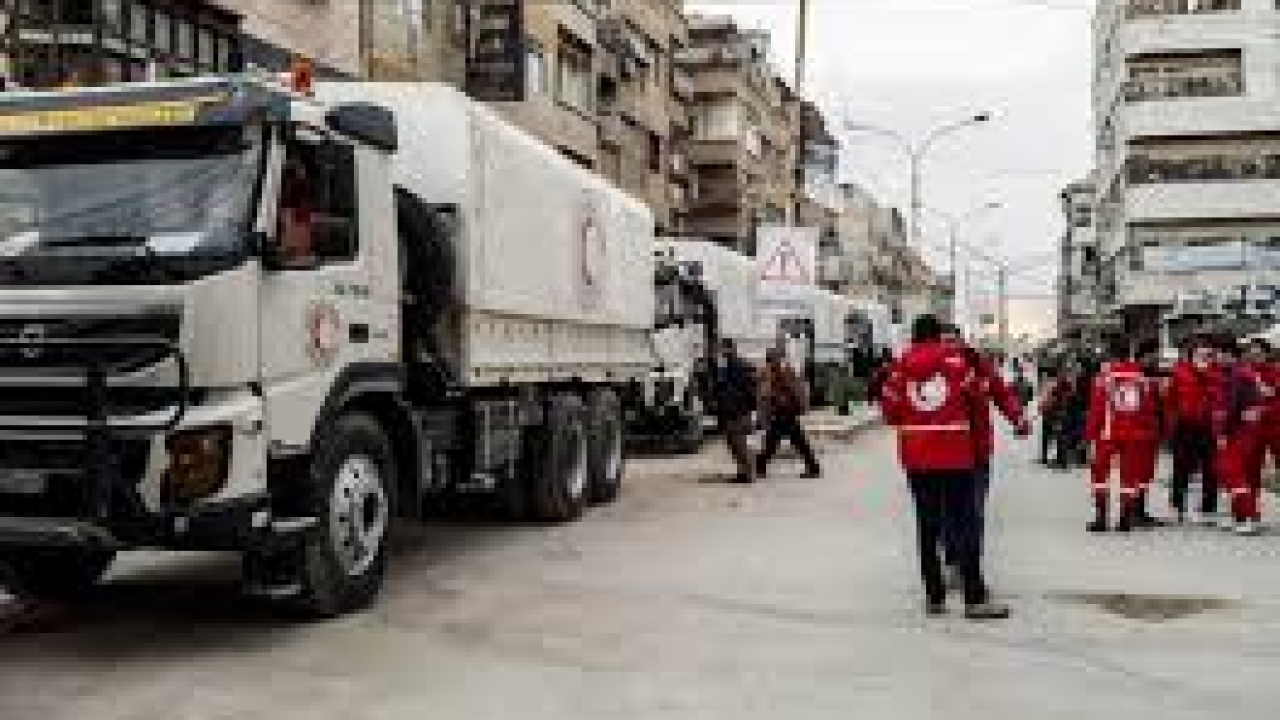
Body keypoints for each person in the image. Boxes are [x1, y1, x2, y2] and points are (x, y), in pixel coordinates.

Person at [879, 315, 1010, 620]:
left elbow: (890, 413)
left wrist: (916, 421)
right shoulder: (957, 363)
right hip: (955, 454)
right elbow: (977, 403)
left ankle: (934, 598)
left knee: (927, 526)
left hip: (916, 457)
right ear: (938, 336)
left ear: (913, 336)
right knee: (965, 524)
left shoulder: (899, 368)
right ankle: (974, 599)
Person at [940, 330, 1030, 581]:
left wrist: (1018, 418)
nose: (950, 348)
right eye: (944, 342)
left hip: (976, 453)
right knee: (947, 512)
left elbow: (1002, 395)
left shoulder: (980, 367)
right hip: (944, 454)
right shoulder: (934, 371)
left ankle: (970, 567)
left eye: (953, 341)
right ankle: (952, 560)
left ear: (962, 342)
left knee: (974, 511)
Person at [1085, 338, 1163, 533]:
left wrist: (1090, 434)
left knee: (1100, 476)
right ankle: (1125, 518)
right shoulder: (1141, 378)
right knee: (1130, 476)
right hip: (1134, 434)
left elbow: (1096, 408)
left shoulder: (1103, 377)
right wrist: (1148, 431)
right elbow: (1148, 409)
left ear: (1110, 354)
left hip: (1107, 433)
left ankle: (1101, 518)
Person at [1217, 338, 1269, 535]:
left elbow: (1231, 407)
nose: (1218, 358)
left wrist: (1223, 432)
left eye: (1221, 354)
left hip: (1238, 432)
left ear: (1231, 355)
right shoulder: (1243, 374)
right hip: (1248, 431)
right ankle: (1242, 516)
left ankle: (1247, 517)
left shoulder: (1237, 376)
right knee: (1243, 475)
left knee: (1234, 475)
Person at [1166, 336, 1219, 525]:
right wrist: (1172, 423)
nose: (1203, 354)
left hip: (1210, 426)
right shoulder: (1179, 371)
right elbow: (1170, 399)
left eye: (1207, 351)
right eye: (1199, 350)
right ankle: (1177, 506)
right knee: (1181, 467)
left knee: (1210, 469)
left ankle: (1208, 509)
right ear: (1192, 353)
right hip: (1185, 425)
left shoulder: (1217, 373)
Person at [755, 347, 822, 479]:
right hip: (784, 411)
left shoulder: (781, 372)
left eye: (769, 359)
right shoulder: (781, 370)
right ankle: (813, 467)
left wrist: (774, 401)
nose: (768, 362)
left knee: (776, 441)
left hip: (784, 411)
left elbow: (781, 391)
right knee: (786, 441)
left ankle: (759, 467)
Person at [705, 339, 759, 484]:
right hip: (733, 410)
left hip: (737, 410)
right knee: (734, 443)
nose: (720, 352)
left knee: (739, 443)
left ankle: (748, 473)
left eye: (722, 349)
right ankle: (743, 471)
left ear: (730, 349)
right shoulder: (729, 366)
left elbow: (745, 389)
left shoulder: (737, 366)